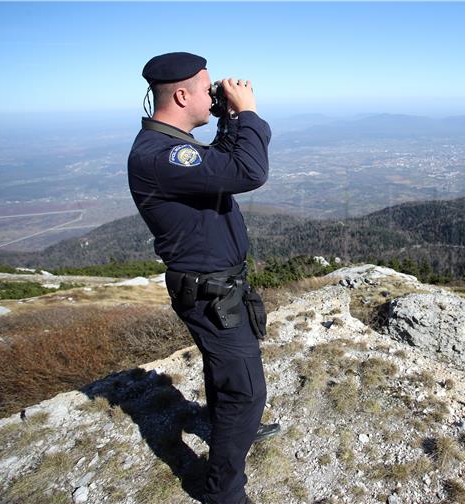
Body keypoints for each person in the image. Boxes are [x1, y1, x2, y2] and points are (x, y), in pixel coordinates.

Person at [127, 51, 279, 504]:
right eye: (206, 88)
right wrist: (247, 111)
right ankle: (224, 492)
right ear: (180, 94)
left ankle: (228, 426)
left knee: (226, 373)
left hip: (217, 287)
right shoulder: (161, 154)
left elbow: (219, 166)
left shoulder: (173, 147)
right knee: (247, 391)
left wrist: (229, 119)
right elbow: (248, 171)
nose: (213, 94)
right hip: (209, 291)